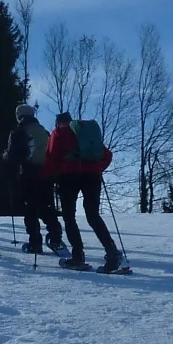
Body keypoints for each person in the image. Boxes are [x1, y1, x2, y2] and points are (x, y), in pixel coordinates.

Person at [43, 111, 122, 272]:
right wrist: (97, 169)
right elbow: (107, 155)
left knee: (69, 216)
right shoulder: (86, 134)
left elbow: (51, 157)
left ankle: (78, 256)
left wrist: (43, 178)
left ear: (58, 123)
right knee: (93, 215)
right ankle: (112, 252)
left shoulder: (58, 133)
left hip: (68, 177)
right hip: (92, 176)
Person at [3, 104, 64, 255]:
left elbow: (13, 155)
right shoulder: (43, 131)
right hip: (46, 173)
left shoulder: (18, 131)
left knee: (30, 208)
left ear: (19, 116)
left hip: (28, 173)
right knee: (47, 205)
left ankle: (35, 243)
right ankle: (55, 237)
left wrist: (5, 156)